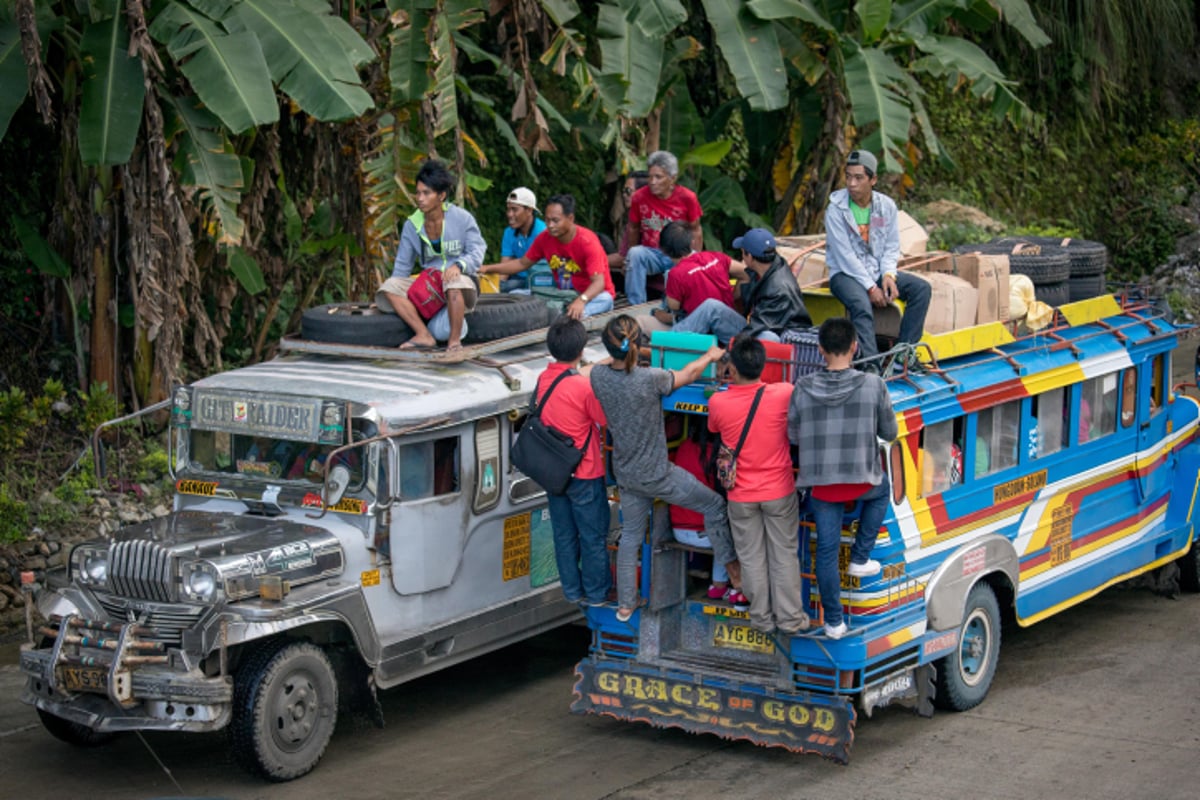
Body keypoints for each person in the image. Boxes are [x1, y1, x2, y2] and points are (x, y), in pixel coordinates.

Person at [590, 315, 742, 622]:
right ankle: (734, 577)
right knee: (714, 505)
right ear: (637, 345)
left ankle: (625, 604)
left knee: (630, 536)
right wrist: (711, 355)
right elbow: (687, 374)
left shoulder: (598, 376)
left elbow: (602, 363)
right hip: (658, 474)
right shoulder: (650, 379)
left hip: (627, 475)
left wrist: (624, 352)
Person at [787, 317, 898, 639]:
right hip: (862, 481)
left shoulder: (802, 387)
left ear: (820, 349)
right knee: (883, 490)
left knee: (826, 551)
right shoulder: (874, 385)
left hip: (821, 485)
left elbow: (793, 435)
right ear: (855, 346)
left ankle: (833, 622)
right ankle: (860, 558)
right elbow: (889, 433)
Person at [707, 336, 808, 634]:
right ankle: (790, 619)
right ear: (764, 366)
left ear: (732, 370)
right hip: (779, 490)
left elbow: (713, 428)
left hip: (740, 495)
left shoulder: (718, 401)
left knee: (751, 558)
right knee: (783, 555)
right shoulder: (783, 393)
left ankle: (761, 618)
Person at [825, 149, 930, 371]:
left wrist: (889, 275)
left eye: (859, 178)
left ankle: (903, 353)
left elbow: (891, 246)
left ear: (873, 180)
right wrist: (872, 287)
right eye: (848, 176)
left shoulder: (886, 206)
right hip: (845, 274)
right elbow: (845, 257)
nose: (852, 184)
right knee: (862, 306)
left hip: (876, 270)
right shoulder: (835, 210)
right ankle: (870, 364)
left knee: (921, 289)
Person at [536, 317, 611, 607]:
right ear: (581, 350)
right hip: (585, 472)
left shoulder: (544, 379)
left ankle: (572, 591)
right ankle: (596, 594)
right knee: (592, 537)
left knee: (564, 535)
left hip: (554, 473)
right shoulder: (583, 388)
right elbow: (604, 420)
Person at [375, 159, 486, 352]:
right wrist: (396, 291)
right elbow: (402, 267)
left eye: (426, 193)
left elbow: (478, 250)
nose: (420, 198)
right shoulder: (412, 225)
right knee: (389, 287)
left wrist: (459, 265)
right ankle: (424, 335)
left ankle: (454, 343)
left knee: (453, 282)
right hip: (430, 285)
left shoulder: (462, 218)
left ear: (441, 195)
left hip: (462, 280)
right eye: (418, 193)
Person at [481, 194, 615, 320]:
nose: (550, 225)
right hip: (560, 294)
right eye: (547, 220)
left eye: (555, 221)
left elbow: (599, 283)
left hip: (591, 296)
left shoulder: (587, 241)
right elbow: (522, 263)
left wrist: (581, 300)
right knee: (515, 295)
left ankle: (568, 317)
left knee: (605, 300)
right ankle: (561, 314)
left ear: (570, 218)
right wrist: (488, 268)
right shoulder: (544, 238)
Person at [668, 420, 743, 607]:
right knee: (733, 534)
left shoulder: (684, 446)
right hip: (706, 533)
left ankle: (719, 585)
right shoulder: (720, 454)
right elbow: (728, 488)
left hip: (677, 529)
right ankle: (725, 587)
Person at [638, 221, 749, 342]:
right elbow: (746, 274)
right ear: (692, 242)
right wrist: (732, 298)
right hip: (727, 323)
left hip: (701, 334)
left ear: (663, 250)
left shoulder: (675, 275)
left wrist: (657, 314)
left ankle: (662, 349)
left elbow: (674, 309)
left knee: (641, 321)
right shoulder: (716, 257)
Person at [625, 151, 703, 305]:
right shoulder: (639, 197)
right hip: (652, 253)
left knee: (675, 273)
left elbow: (696, 230)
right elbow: (633, 228)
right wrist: (629, 257)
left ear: (672, 178)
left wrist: (697, 260)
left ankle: (672, 309)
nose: (652, 182)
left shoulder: (688, 198)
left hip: (679, 254)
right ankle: (636, 306)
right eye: (650, 176)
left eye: (658, 177)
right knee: (634, 253)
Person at [734, 227, 813, 342]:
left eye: (742, 253)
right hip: (757, 323)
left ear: (750, 257)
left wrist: (729, 350)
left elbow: (756, 327)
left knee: (766, 337)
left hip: (782, 338)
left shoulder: (778, 290)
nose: (742, 257)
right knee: (712, 308)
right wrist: (743, 276)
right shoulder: (764, 267)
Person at [484, 186, 546, 292]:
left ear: (529, 210)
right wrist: (496, 287)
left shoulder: (543, 233)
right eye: (508, 209)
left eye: (514, 209)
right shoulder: (509, 232)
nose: (509, 214)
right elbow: (504, 269)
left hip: (539, 279)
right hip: (516, 278)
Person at [606, 170, 650, 274]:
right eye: (623, 191)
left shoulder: (651, 219)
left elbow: (624, 258)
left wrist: (592, 260)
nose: (624, 195)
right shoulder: (634, 218)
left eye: (628, 191)